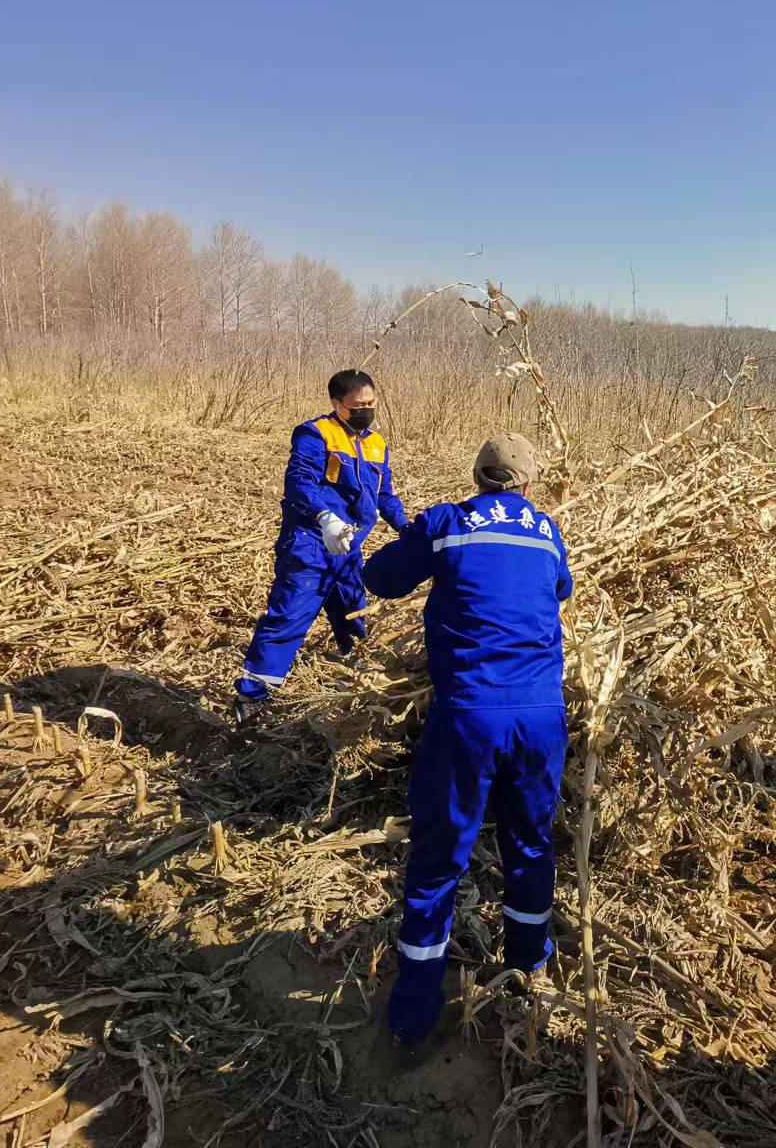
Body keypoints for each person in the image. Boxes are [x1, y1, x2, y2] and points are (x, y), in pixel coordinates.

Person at [363, 433, 573, 1046]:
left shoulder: (448, 524)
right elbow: (560, 591)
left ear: (477, 477)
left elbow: (382, 579)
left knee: (438, 859)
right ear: (529, 485)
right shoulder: (547, 531)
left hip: (469, 715)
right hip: (540, 715)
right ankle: (527, 967)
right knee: (531, 844)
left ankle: (412, 1015)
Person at [233, 369, 407, 722]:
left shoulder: (376, 445)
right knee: (289, 616)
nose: (366, 410)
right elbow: (299, 482)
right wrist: (325, 517)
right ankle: (252, 699)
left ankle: (352, 671)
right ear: (337, 404)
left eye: (371, 404)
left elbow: (383, 496)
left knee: (353, 613)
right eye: (358, 405)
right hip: (310, 545)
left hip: (348, 548)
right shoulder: (316, 435)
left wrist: (409, 528)